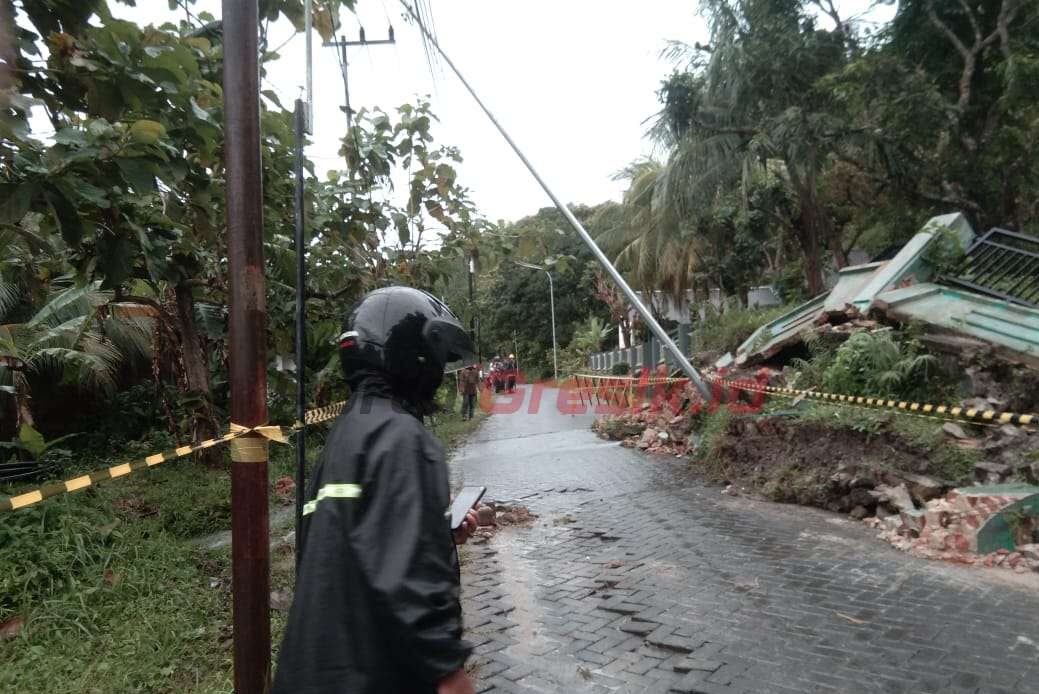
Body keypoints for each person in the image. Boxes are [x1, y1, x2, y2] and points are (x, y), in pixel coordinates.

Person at [273, 286, 479, 694]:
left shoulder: (345, 435)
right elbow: (412, 584)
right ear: (415, 354)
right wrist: (450, 673)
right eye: (438, 359)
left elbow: (352, 541)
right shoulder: (402, 437)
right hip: (373, 674)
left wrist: (433, 532)